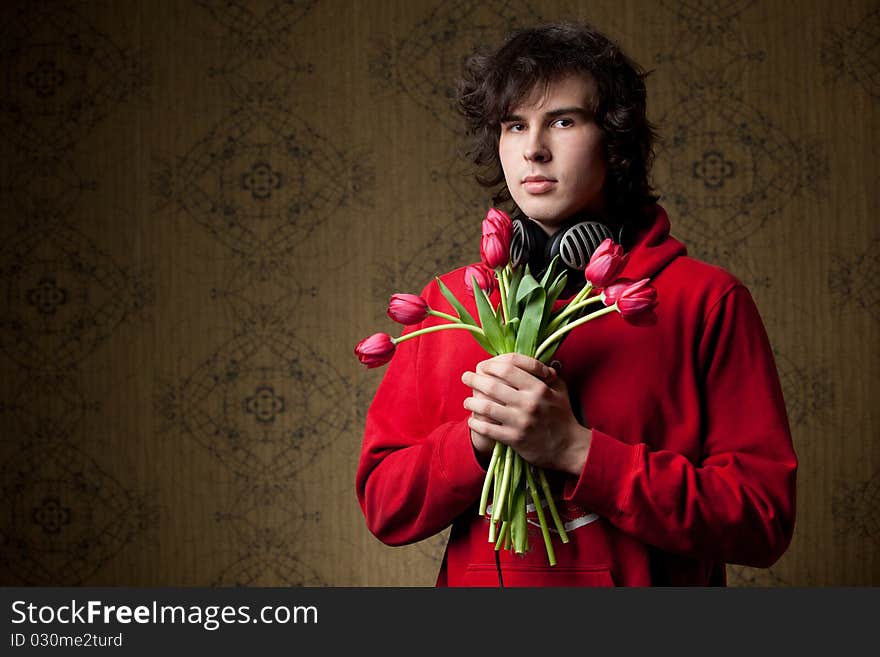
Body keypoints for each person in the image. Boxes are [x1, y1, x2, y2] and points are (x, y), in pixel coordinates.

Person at [356, 21, 797, 586]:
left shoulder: (707, 301)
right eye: (515, 125)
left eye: (562, 121)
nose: (534, 149)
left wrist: (578, 451)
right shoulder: (447, 305)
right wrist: (476, 440)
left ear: (614, 141)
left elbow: (762, 521)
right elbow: (383, 507)